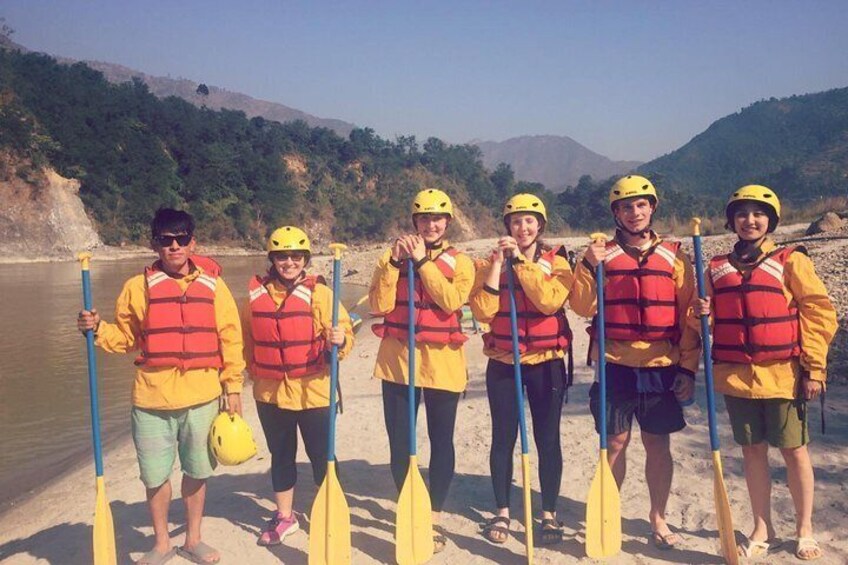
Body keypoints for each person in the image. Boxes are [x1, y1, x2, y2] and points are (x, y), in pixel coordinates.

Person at [77, 208, 244, 565]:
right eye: (166, 240)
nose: (174, 247)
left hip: (202, 398)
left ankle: (193, 539)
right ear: (154, 244)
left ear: (192, 242)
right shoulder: (136, 288)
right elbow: (124, 339)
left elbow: (231, 339)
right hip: (151, 400)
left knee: (197, 471)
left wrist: (233, 388)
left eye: (181, 239)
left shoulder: (215, 286)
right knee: (155, 476)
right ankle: (162, 542)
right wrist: (96, 328)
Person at [692, 185, 836, 560]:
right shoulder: (716, 267)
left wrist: (815, 368)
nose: (749, 220)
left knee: (794, 451)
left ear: (770, 220)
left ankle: (804, 528)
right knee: (752, 452)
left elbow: (819, 314)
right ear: (732, 221)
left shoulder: (791, 260)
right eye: (742, 214)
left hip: (783, 375)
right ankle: (762, 526)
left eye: (758, 214)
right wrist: (700, 312)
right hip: (737, 377)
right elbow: (705, 322)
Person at [569, 175, 700, 550]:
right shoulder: (599, 254)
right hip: (615, 363)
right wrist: (587, 267)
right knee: (614, 442)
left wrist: (688, 369)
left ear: (652, 208)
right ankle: (608, 512)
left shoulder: (675, 255)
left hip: (661, 364)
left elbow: (687, 317)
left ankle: (658, 517)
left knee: (658, 444)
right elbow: (580, 306)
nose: (635, 212)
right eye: (626, 206)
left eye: (641, 204)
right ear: (617, 213)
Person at [369, 188, 474, 552]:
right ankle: (409, 505)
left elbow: (450, 301)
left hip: (442, 365)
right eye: (424, 218)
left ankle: (435, 515)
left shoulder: (462, 262)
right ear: (414, 221)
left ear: (447, 223)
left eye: (438, 218)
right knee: (400, 442)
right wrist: (397, 264)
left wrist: (422, 262)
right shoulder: (390, 258)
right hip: (398, 364)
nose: (431, 224)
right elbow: (379, 304)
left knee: (440, 440)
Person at [469, 193, 574, 545]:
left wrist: (521, 264)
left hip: (546, 364)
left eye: (530, 220)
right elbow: (482, 311)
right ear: (507, 227)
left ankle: (549, 514)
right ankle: (502, 511)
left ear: (540, 225)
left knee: (547, 439)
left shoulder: (557, 262)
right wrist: (500, 264)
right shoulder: (490, 264)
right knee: (503, 438)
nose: (523, 227)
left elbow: (549, 301)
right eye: (516, 221)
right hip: (504, 363)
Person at [243, 226, 354, 546]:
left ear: (305, 259)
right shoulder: (254, 297)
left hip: (314, 390)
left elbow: (344, 334)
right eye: (281, 256)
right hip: (270, 391)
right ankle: (284, 517)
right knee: (281, 454)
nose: (289, 262)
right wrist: (235, 382)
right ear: (272, 259)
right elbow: (246, 341)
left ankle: (331, 509)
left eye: (295, 256)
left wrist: (341, 338)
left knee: (322, 455)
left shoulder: (321, 294)